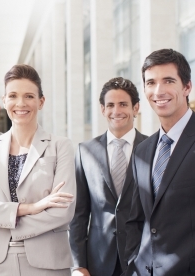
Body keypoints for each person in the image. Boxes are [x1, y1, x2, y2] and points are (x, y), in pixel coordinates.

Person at [0, 64, 76, 276]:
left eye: (29, 96)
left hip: (47, 262)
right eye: (13, 95)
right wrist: (32, 207)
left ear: (41, 101)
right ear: (4, 102)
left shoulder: (61, 146)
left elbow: (63, 211)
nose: (21, 103)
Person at [124, 49, 195, 275]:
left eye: (168, 80)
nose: (158, 91)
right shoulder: (142, 151)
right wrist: (133, 264)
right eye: (151, 83)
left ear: (187, 87)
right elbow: (135, 220)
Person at [69, 77, 147, 276]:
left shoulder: (152, 148)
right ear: (102, 109)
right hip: (98, 261)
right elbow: (79, 214)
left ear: (135, 107)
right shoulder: (85, 151)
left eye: (123, 104)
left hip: (142, 258)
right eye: (110, 105)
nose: (116, 111)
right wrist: (78, 264)